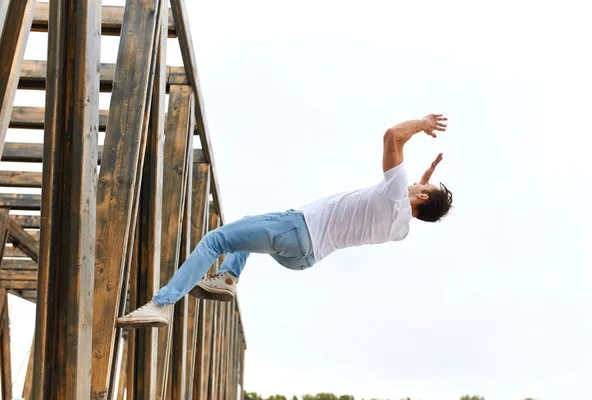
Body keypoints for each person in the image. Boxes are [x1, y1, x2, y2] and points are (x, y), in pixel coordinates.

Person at [117, 113, 453, 328]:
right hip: (304, 258)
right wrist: (426, 178)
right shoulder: (401, 229)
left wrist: (422, 125)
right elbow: (411, 202)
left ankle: (162, 303)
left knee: (217, 240)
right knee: (247, 229)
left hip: (298, 229)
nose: (413, 183)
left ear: (420, 196)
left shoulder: (395, 192)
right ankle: (229, 279)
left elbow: (392, 135)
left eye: (421, 187)